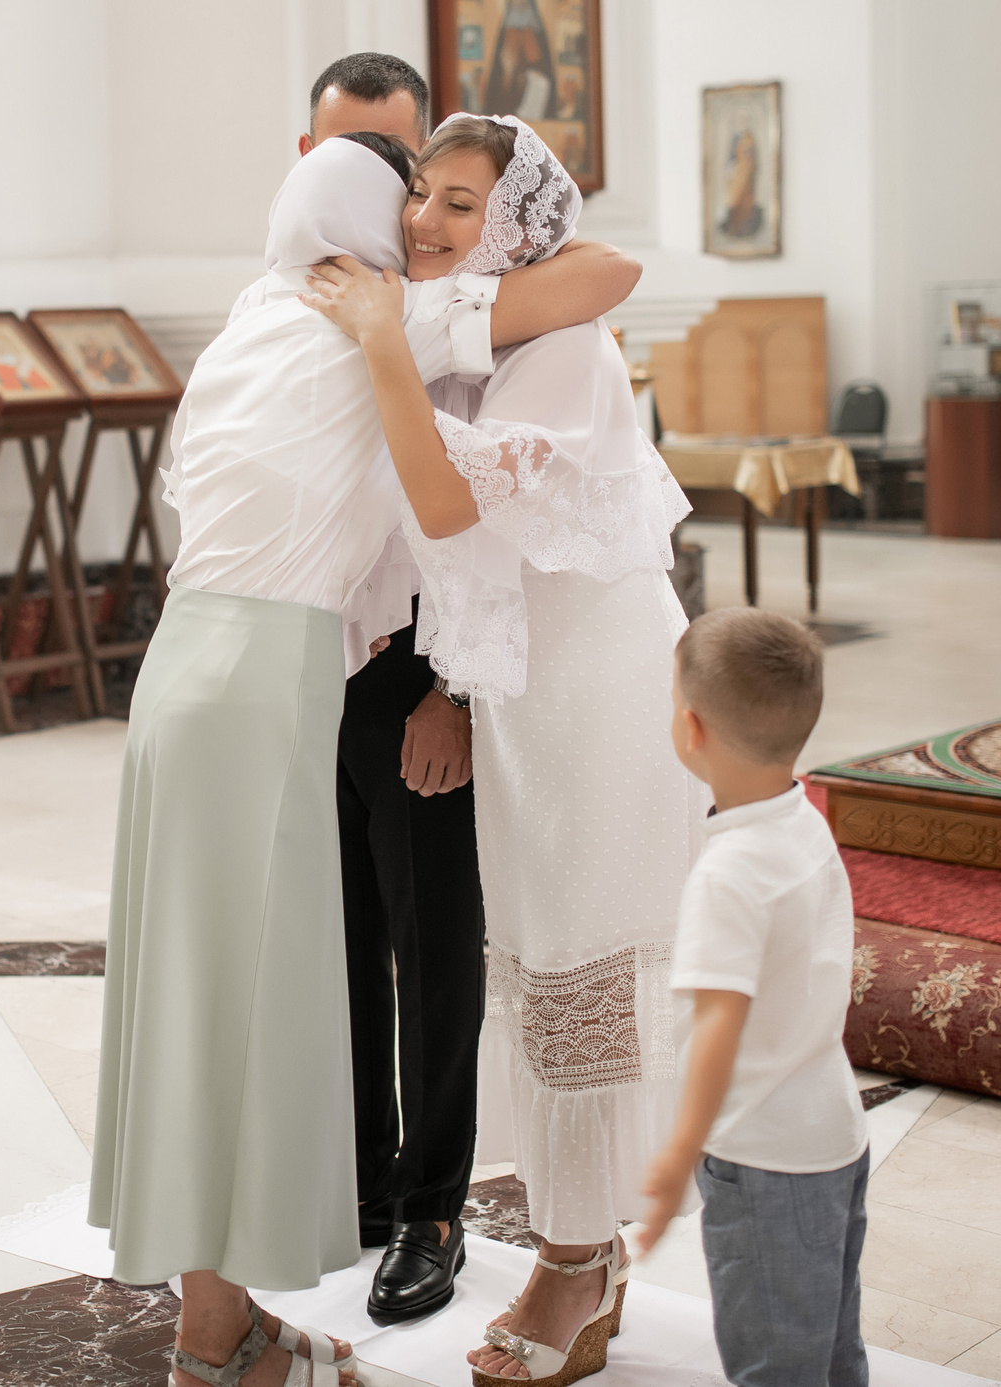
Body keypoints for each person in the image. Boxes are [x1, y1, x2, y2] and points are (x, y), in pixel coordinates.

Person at [92, 134, 641, 1387]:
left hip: (180, 663)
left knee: (198, 995)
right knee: (253, 1008)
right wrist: (396, 309)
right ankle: (208, 1344)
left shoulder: (247, 320)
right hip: (269, 671)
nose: (420, 226)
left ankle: (220, 1320)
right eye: (407, 203)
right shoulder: (378, 314)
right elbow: (605, 273)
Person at [302, 114, 699, 1386]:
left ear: (518, 224)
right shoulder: (480, 328)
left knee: (570, 948)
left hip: (588, 688)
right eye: (421, 192)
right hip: (525, 685)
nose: (424, 220)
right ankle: (584, 1244)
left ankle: (573, 1266)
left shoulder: (561, 340)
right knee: (534, 956)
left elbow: (449, 505)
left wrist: (375, 343)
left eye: (460, 203)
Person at [299, 54, 488, 1328]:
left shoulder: (473, 313)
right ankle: (363, 1179)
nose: (382, 193)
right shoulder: (283, 291)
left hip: (423, 666)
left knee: (431, 948)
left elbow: (488, 529)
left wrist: (457, 694)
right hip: (306, 665)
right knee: (336, 941)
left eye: (395, 163)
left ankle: (431, 1208)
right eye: (347, 156)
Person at [635, 608, 869, 1387]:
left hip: (762, 1154)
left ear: (691, 729)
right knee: (832, 1349)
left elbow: (717, 1028)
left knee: (775, 1364)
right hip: (832, 1131)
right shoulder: (802, 821)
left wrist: (674, 1155)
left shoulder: (728, 873)